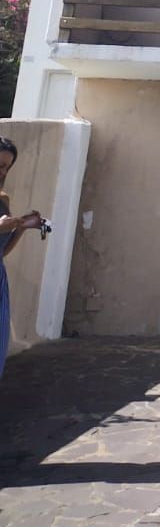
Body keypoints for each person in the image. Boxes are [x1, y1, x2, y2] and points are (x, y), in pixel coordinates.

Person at [0, 138, 47, 384]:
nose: (2, 171)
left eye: (6, 167)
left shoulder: (3, 199)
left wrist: (21, 227)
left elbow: (2, 251)